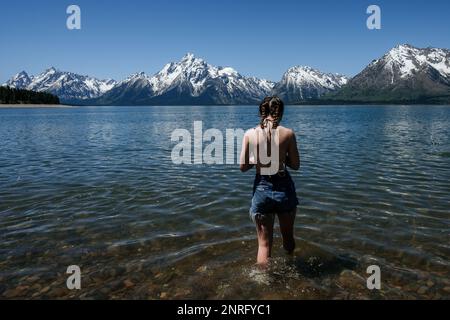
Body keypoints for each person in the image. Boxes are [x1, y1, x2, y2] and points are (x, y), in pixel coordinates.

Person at [240, 96, 300, 265]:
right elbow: (295, 165)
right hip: (284, 187)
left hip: (262, 187)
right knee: (288, 237)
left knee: (264, 245)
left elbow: (243, 167)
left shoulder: (249, 134)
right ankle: (292, 268)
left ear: (261, 111)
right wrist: (281, 158)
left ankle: (263, 281)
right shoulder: (288, 133)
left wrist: (256, 159)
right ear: (280, 112)